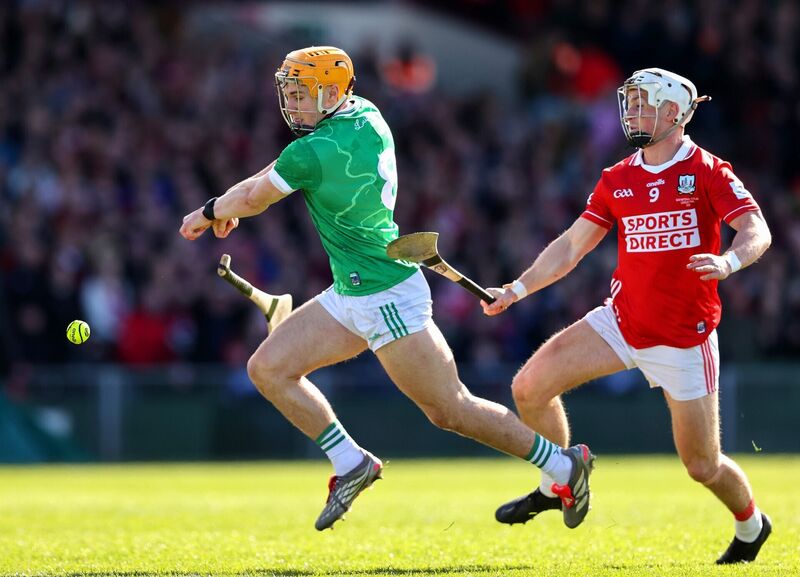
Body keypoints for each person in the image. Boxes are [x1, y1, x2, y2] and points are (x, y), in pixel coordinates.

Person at [180, 46, 593, 531]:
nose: (291, 104)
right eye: (288, 92)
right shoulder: (365, 115)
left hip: (385, 296)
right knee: (269, 369)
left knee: (451, 409)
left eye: (301, 94)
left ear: (333, 93)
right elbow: (268, 179)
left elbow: (256, 194)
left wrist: (208, 213)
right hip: (349, 293)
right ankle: (351, 463)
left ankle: (565, 466)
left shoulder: (312, 151)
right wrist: (230, 207)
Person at [483, 68, 772, 564]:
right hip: (620, 322)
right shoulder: (618, 177)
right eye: (630, 102)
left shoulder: (708, 171)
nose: (632, 112)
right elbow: (572, 245)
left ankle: (752, 525)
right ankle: (561, 479)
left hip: (684, 338)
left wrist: (729, 261)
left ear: (675, 112)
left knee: (702, 466)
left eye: (644, 103)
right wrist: (518, 287)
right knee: (528, 388)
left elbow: (756, 229)